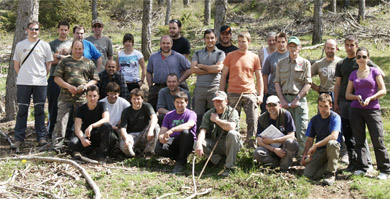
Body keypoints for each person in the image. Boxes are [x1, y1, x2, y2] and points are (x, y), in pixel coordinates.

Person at [334, 35, 379, 171]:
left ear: (356, 46)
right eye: (347, 45)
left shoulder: (361, 59)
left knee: (360, 134)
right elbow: (337, 85)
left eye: (352, 45)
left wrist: (369, 94)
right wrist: (336, 103)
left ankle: (367, 163)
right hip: (344, 102)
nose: (349, 48)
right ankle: (353, 162)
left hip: (360, 103)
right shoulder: (341, 64)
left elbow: (378, 73)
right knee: (348, 134)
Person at [346, 47, 390, 180]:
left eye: (364, 57)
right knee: (359, 140)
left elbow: (383, 90)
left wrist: (371, 98)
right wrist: (357, 97)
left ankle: (385, 169)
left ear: (368, 58)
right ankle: (362, 166)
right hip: (356, 110)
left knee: (378, 139)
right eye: (358, 57)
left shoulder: (374, 71)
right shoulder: (353, 74)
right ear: (356, 59)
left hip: (373, 109)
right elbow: (348, 94)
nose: (361, 59)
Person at [11, 21, 53, 149]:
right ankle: (19, 138)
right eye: (31, 29)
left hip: (40, 82)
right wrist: (24, 75)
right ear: (27, 30)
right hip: (24, 82)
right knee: (22, 110)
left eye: (36, 29)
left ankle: (41, 137)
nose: (34, 31)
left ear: (39, 30)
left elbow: (48, 65)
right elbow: (16, 64)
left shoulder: (45, 46)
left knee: (40, 110)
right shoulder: (20, 45)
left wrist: (41, 75)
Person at [52, 40, 99, 151]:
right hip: (65, 97)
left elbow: (95, 79)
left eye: (80, 49)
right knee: (61, 122)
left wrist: (86, 86)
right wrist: (68, 86)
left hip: (82, 98)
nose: (78, 51)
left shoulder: (88, 62)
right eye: (76, 49)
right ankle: (57, 146)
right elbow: (56, 78)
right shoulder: (64, 62)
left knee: (81, 123)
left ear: (83, 50)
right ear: (71, 49)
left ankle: (79, 144)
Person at [219, 32, 263, 143]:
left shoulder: (254, 57)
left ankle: (251, 146)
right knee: (232, 121)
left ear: (249, 42)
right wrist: (221, 93)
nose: (241, 44)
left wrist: (260, 95)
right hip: (233, 93)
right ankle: (234, 145)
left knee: (253, 121)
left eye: (243, 41)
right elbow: (223, 75)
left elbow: (259, 77)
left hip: (249, 93)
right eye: (239, 41)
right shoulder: (230, 56)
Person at [274, 36, 312, 158]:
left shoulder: (305, 63)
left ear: (299, 48)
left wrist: (298, 98)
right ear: (287, 47)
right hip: (284, 99)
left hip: (299, 100)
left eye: (295, 46)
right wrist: (282, 100)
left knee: (301, 130)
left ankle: (302, 157)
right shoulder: (281, 63)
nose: (293, 48)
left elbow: (308, 83)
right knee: (284, 130)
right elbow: (277, 83)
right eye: (290, 46)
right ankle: (286, 157)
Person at [195, 91, 241, 177]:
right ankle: (220, 162)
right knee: (197, 143)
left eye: (220, 100)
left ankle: (229, 167)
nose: (217, 103)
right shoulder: (208, 114)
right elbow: (203, 130)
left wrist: (217, 120)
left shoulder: (232, 112)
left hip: (230, 144)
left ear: (226, 101)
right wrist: (198, 143)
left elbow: (231, 127)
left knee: (233, 134)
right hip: (215, 143)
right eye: (215, 101)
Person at [301, 93, 341, 186]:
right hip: (319, 151)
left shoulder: (335, 117)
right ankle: (330, 165)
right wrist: (304, 155)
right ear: (318, 106)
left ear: (330, 106)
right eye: (320, 106)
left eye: (326, 106)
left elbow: (334, 136)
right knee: (308, 174)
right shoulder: (314, 119)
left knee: (332, 143)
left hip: (332, 149)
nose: (323, 109)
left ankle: (330, 174)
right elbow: (310, 140)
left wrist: (316, 145)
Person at [68, 85, 117, 161]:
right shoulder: (81, 109)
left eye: (94, 96)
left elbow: (106, 119)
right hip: (86, 136)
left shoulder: (102, 105)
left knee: (107, 126)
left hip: (98, 135)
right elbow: (77, 128)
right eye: (90, 96)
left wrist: (92, 126)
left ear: (98, 97)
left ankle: (102, 154)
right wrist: (82, 139)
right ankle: (88, 151)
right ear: (86, 97)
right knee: (73, 143)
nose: (92, 98)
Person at [155, 91, 197, 173]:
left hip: (187, 141)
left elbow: (189, 124)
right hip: (173, 140)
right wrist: (161, 138)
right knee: (158, 149)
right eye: (177, 102)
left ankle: (181, 163)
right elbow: (163, 129)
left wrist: (173, 129)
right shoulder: (169, 115)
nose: (179, 105)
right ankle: (179, 158)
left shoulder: (191, 114)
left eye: (182, 102)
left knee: (185, 132)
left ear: (187, 103)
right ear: (174, 103)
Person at [253, 95, 298, 171]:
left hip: (285, 147)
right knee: (257, 153)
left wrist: (273, 140)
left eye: (274, 105)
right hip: (270, 149)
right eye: (269, 105)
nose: (271, 107)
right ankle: (275, 163)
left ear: (280, 105)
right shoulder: (262, 118)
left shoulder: (286, 114)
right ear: (266, 106)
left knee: (291, 143)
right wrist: (274, 149)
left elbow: (291, 136)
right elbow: (259, 140)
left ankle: (284, 168)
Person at [191, 29, 225, 127]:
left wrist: (201, 66)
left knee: (215, 114)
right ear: (204, 39)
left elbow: (218, 68)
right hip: (200, 88)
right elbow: (193, 69)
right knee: (198, 115)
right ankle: (197, 137)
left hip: (214, 88)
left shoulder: (220, 53)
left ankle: (213, 137)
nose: (210, 40)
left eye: (212, 38)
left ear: (216, 39)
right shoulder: (198, 53)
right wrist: (211, 69)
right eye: (207, 38)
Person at [147, 35, 191, 110]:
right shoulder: (153, 57)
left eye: (168, 43)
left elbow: (189, 69)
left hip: (174, 86)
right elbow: (149, 72)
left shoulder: (178, 56)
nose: (165, 45)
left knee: (179, 107)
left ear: (171, 44)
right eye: (163, 43)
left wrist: (180, 80)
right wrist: (150, 86)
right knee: (150, 108)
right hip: (158, 86)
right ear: (160, 44)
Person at [47, 21, 72, 138]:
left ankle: (67, 132)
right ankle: (50, 130)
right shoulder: (51, 44)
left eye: (65, 30)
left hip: (68, 79)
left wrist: (59, 57)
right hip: (54, 78)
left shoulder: (72, 43)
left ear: (68, 31)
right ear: (58, 30)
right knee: (53, 106)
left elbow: (74, 59)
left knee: (68, 107)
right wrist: (64, 57)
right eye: (61, 29)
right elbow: (51, 61)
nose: (63, 32)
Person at [119, 88, 159, 157]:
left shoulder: (147, 106)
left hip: (144, 134)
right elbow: (123, 129)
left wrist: (151, 130)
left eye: (138, 99)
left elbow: (154, 117)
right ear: (131, 100)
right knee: (123, 146)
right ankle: (135, 153)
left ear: (142, 99)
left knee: (156, 127)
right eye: (134, 99)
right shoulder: (126, 111)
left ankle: (148, 153)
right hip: (132, 136)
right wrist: (126, 138)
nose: (136, 101)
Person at [261, 32, 289, 113]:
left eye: (283, 42)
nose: (281, 44)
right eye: (279, 42)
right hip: (272, 92)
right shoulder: (270, 58)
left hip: (287, 92)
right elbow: (265, 75)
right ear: (276, 43)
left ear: (286, 42)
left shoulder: (291, 56)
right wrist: (266, 92)